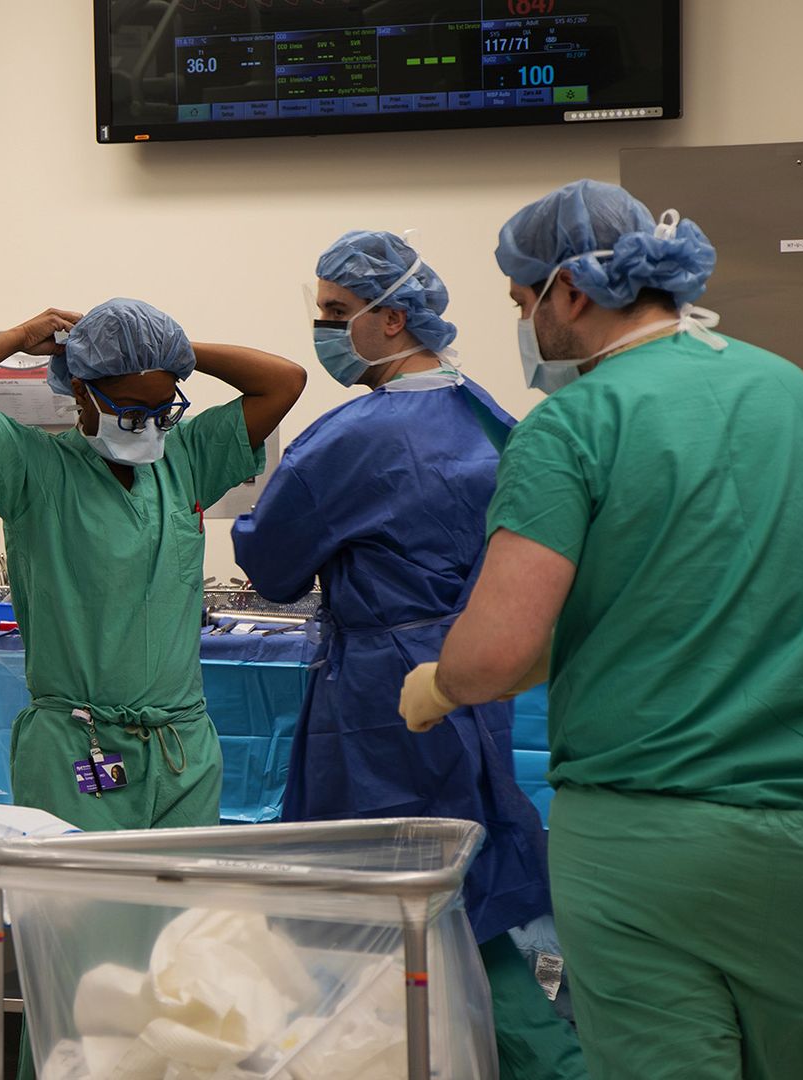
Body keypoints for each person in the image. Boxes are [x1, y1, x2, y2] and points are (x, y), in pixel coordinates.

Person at [399, 180, 803, 1080]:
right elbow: (690, 584)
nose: (524, 326)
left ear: (568, 292)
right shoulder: (795, 393)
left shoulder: (575, 424)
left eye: (520, 302)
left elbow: (497, 651)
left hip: (649, 841)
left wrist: (440, 682)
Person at [232, 230, 585, 1080]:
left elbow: (271, 565)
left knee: (387, 906)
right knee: (467, 891)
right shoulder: (492, 417)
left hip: (384, 701)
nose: (322, 331)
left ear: (391, 320)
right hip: (471, 682)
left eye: (334, 314)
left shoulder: (353, 436)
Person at [0, 298, 305, 831]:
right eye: (128, 409)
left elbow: (284, 380)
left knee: (183, 911)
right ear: (81, 390)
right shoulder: (33, 469)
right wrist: (25, 334)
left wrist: (168, 353)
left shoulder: (185, 459)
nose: (146, 426)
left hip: (181, 748)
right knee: (80, 911)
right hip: (79, 746)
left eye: (162, 410)